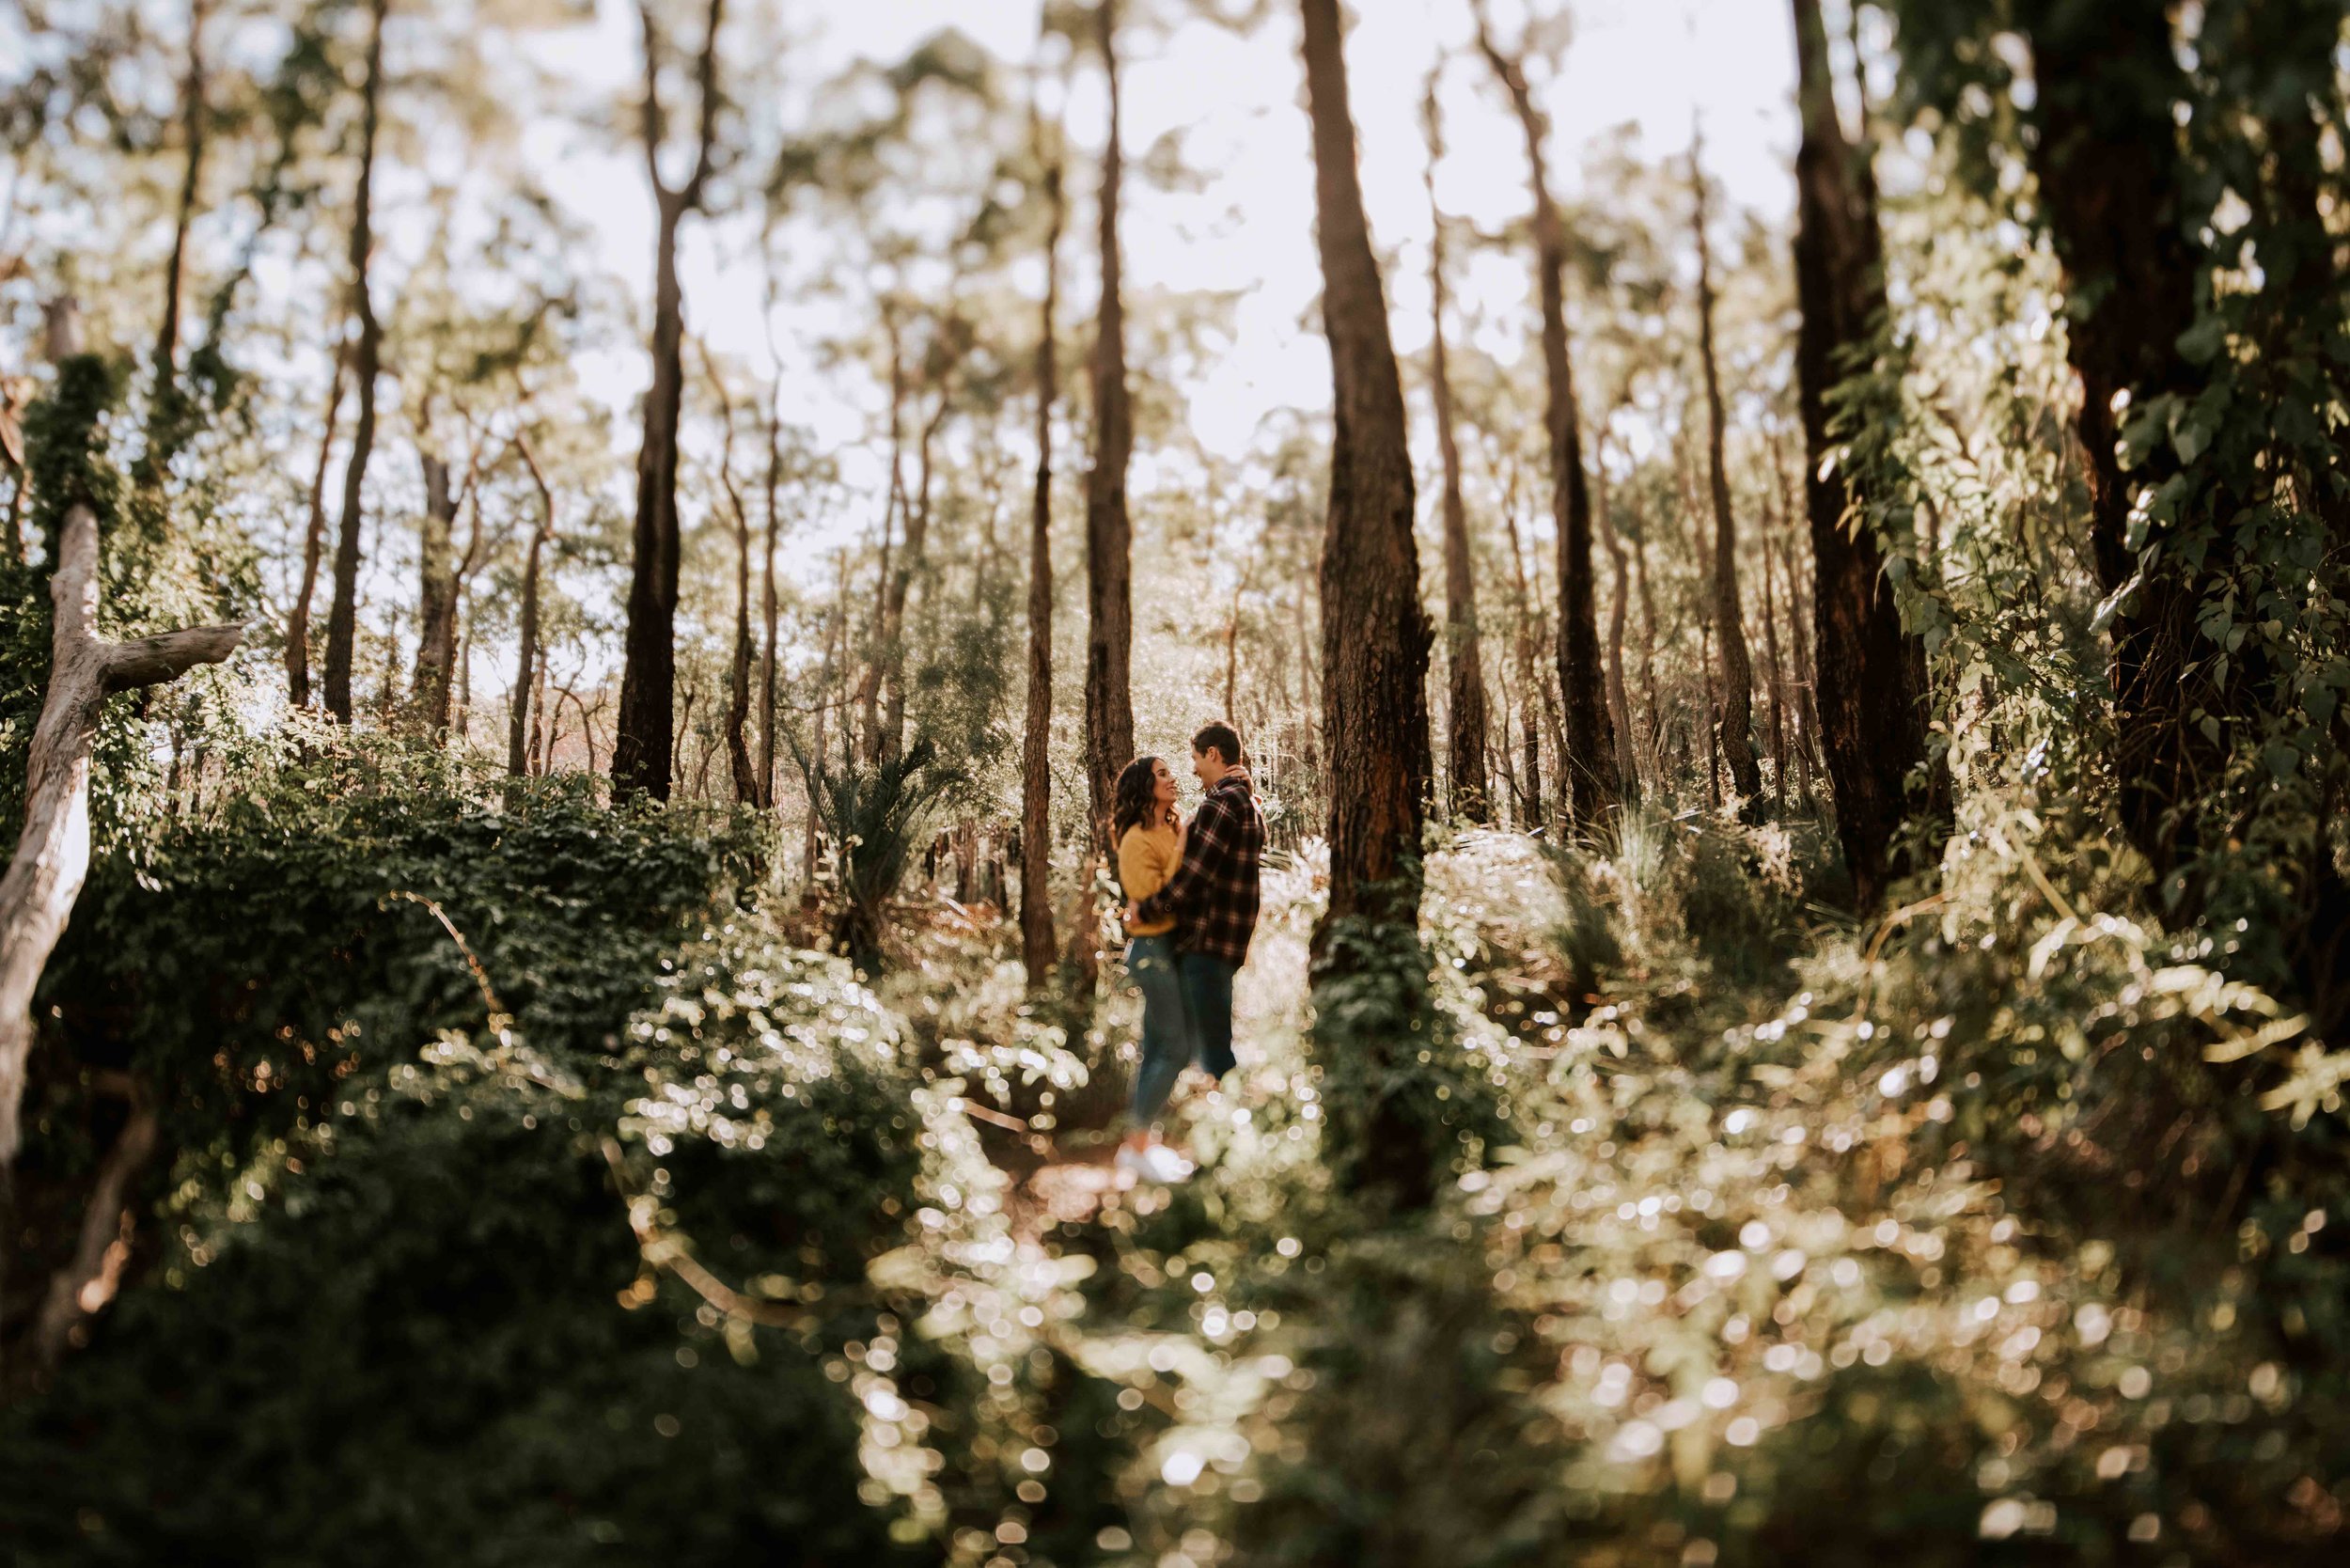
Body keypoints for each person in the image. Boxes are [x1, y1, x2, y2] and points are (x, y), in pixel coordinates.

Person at [1125, 721, 1263, 1096]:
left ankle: (1234, 1139)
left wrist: (1147, 911)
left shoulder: (1221, 803)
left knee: (1213, 1052)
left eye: (1195, 759)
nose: (1193, 769)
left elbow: (1192, 879)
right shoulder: (1246, 802)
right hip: (1226, 944)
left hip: (1207, 945)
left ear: (1213, 754)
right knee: (1205, 1044)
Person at [1110, 756, 1196, 1184]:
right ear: (1145, 786)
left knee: (1157, 1048)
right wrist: (1184, 850)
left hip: (1172, 950)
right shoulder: (1135, 839)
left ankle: (1140, 1148)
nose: (1172, 778)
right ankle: (1136, 1145)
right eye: (1161, 774)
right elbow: (1153, 901)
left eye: (1170, 772)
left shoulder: (1173, 829)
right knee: (1176, 1048)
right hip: (1152, 951)